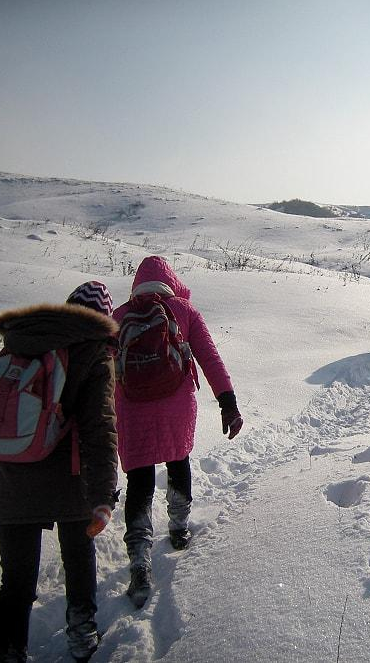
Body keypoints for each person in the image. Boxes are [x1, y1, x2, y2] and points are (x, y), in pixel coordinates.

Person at [0, 281, 120, 663]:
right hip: (68, 481)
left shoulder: (22, 341)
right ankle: (82, 633)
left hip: (7, 475)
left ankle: (9, 652)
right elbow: (99, 428)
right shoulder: (94, 354)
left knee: (16, 577)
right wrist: (103, 495)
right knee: (78, 554)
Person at [113, 255, 243, 608]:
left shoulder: (119, 316)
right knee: (178, 460)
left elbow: (104, 372)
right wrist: (228, 403)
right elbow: (210, 358)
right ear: (171, 280)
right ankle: (179, 527)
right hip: (177, 405)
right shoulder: (185, 311)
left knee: (139, 481)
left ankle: (139, 560)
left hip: (132, 409)